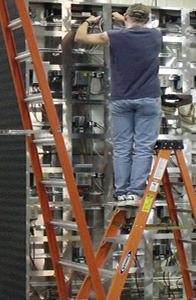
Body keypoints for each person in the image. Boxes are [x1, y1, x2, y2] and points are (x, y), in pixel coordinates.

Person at [73, 4, 162, 205]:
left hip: (121, 99)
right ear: (147, 19)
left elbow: (81, 38)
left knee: (122, 148)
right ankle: (135, 193)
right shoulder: (156, 36)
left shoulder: (114, 36)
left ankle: (121, 193)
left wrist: (89, 21)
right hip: (148, 99)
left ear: (127, 16)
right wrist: (124, 18)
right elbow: (138, 27)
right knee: (143, 148)